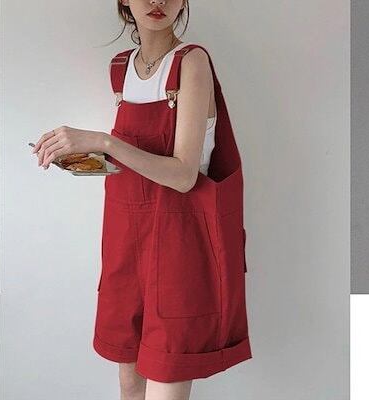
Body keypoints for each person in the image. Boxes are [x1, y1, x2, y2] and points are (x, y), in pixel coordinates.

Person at [32, 1, 252, 399]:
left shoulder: (191, 62)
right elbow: (135, 163)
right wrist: (83, 156)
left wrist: (103, 141)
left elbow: (184, 175)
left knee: (165, 382)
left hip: (180, 253)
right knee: (130, 387)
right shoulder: (120, 67)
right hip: (127, 249)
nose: (157, 2)